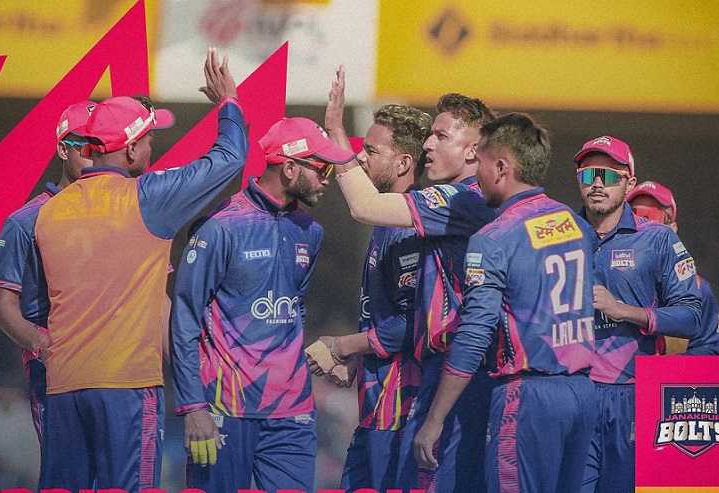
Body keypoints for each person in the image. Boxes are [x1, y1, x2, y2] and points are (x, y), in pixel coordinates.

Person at [33, 48, 248, 492]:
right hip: (126, 387)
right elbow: (229, 159)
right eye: (149, 138)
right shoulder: (147, 199)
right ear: (131, 148)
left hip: (63, 388)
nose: (153, 146)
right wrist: (229, 103)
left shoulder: (48, 213)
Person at [325, 66, 496, 492]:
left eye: (441, 136)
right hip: (424, 374)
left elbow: (365, 206)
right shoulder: (434, 209)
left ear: (473, 150)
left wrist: (336, 134)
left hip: (443, 373)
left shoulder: (460, 200)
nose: (428, 145)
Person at [412, 113, 598, 493]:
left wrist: (434, 420)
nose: (476, 175)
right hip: (582, 394)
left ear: (500, 168)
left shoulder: (493, 238)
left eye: (479, 162)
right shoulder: (577, 225)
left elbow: (474, 333)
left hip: (528, 397)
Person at [170, 115, 355, 493]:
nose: (328, 179)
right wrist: (192, 406)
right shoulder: (219, 227)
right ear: (289, 168)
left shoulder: (311, 231)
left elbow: (294, 310)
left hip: (293, 413)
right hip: (224, 409)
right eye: (322, 168)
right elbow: (184, 319)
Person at [307, 103, 431, 491]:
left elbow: (411, 324)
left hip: (399, 407)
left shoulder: (409, 228)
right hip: (374, 400)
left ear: (403, 163)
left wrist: (342, 345)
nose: (361, 157)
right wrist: (358, 360)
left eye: (371, 151)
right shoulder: (385, 220)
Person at [573, 136, 703, 493]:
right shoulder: (561, 233)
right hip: (573, 391)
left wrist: (623, 310)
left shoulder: (658, 239)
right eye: (588, 175)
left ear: (629, 182)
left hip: (634, 395)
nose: (597, 184)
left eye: (608, 176)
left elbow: (692, 317)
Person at [0, 100, 95, 445]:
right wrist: (44, 346)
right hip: (56, 373)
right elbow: (2, 306)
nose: (96, 155)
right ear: (63, 149)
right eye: (86, 146)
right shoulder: (25, 222)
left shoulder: (128, 212)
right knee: (66, 468)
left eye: (104, 146)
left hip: (118, 369)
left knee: (120, 471)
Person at [626, 181, 719, 355]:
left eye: (653, 216)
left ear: (672, 228)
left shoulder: (698, 288)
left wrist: (667, 366)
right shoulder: (603, 275)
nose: (642, 224)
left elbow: (709, 350)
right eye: (633, 215)